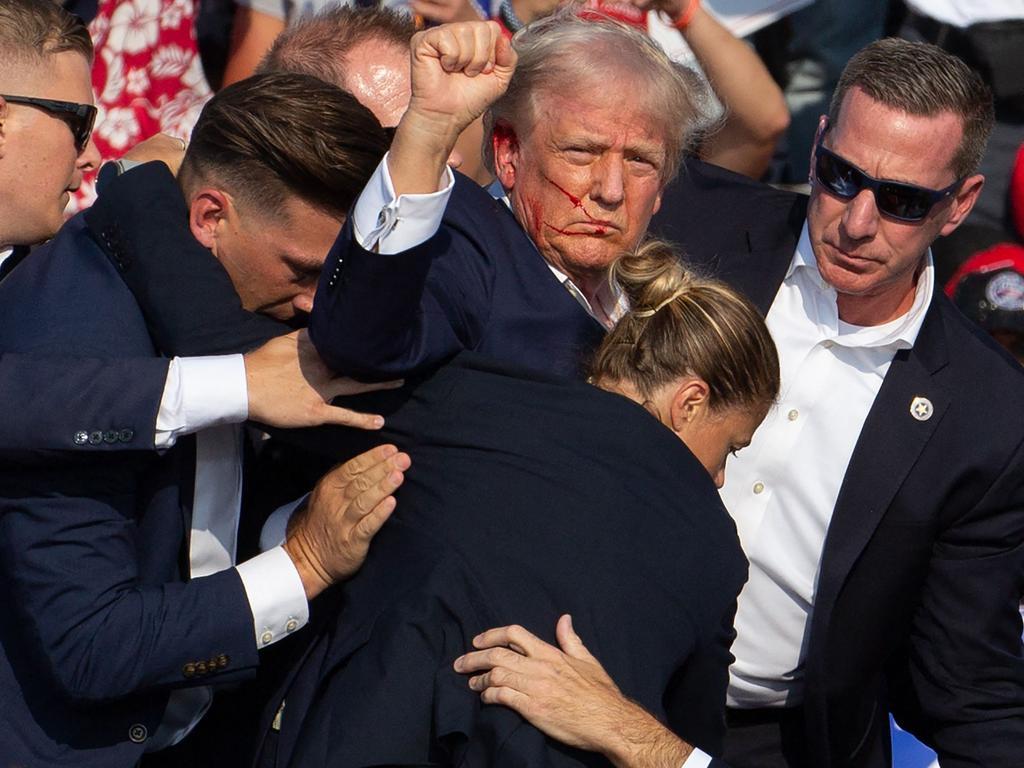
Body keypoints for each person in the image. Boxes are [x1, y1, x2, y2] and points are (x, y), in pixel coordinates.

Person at [457, 37, 1024, 768]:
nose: (857, 221)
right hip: (547, 664)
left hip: (766, 742)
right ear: (816, 144)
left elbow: (968, 682)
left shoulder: (988, 416)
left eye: (904, 200)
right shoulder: (686, 220)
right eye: (841, 176)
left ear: (962, 205)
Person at [0, 72, 407, 767]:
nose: (316, 306)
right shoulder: (72, 334)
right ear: (210, 218)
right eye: (301, 271)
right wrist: (302, 564)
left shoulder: (228, 298)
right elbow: (92, 647)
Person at [250, 241, 779, 768]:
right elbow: (694, 735)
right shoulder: (713, 550)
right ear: (689, 403)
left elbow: (289, 384)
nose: (719, 478)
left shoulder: (471, 395)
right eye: (730, 447)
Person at [0, 0, 389, 462]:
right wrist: (238, 385)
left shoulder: (36, 271)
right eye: (79, 124)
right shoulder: (62, 291)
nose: (90, 156)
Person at [308, 14, 710, 380]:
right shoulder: (461, 249)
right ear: (508, 154)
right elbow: (361, 340)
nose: (611, 190)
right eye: (581, 152)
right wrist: (430, 127)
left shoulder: (668, 297)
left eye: (640, 161)